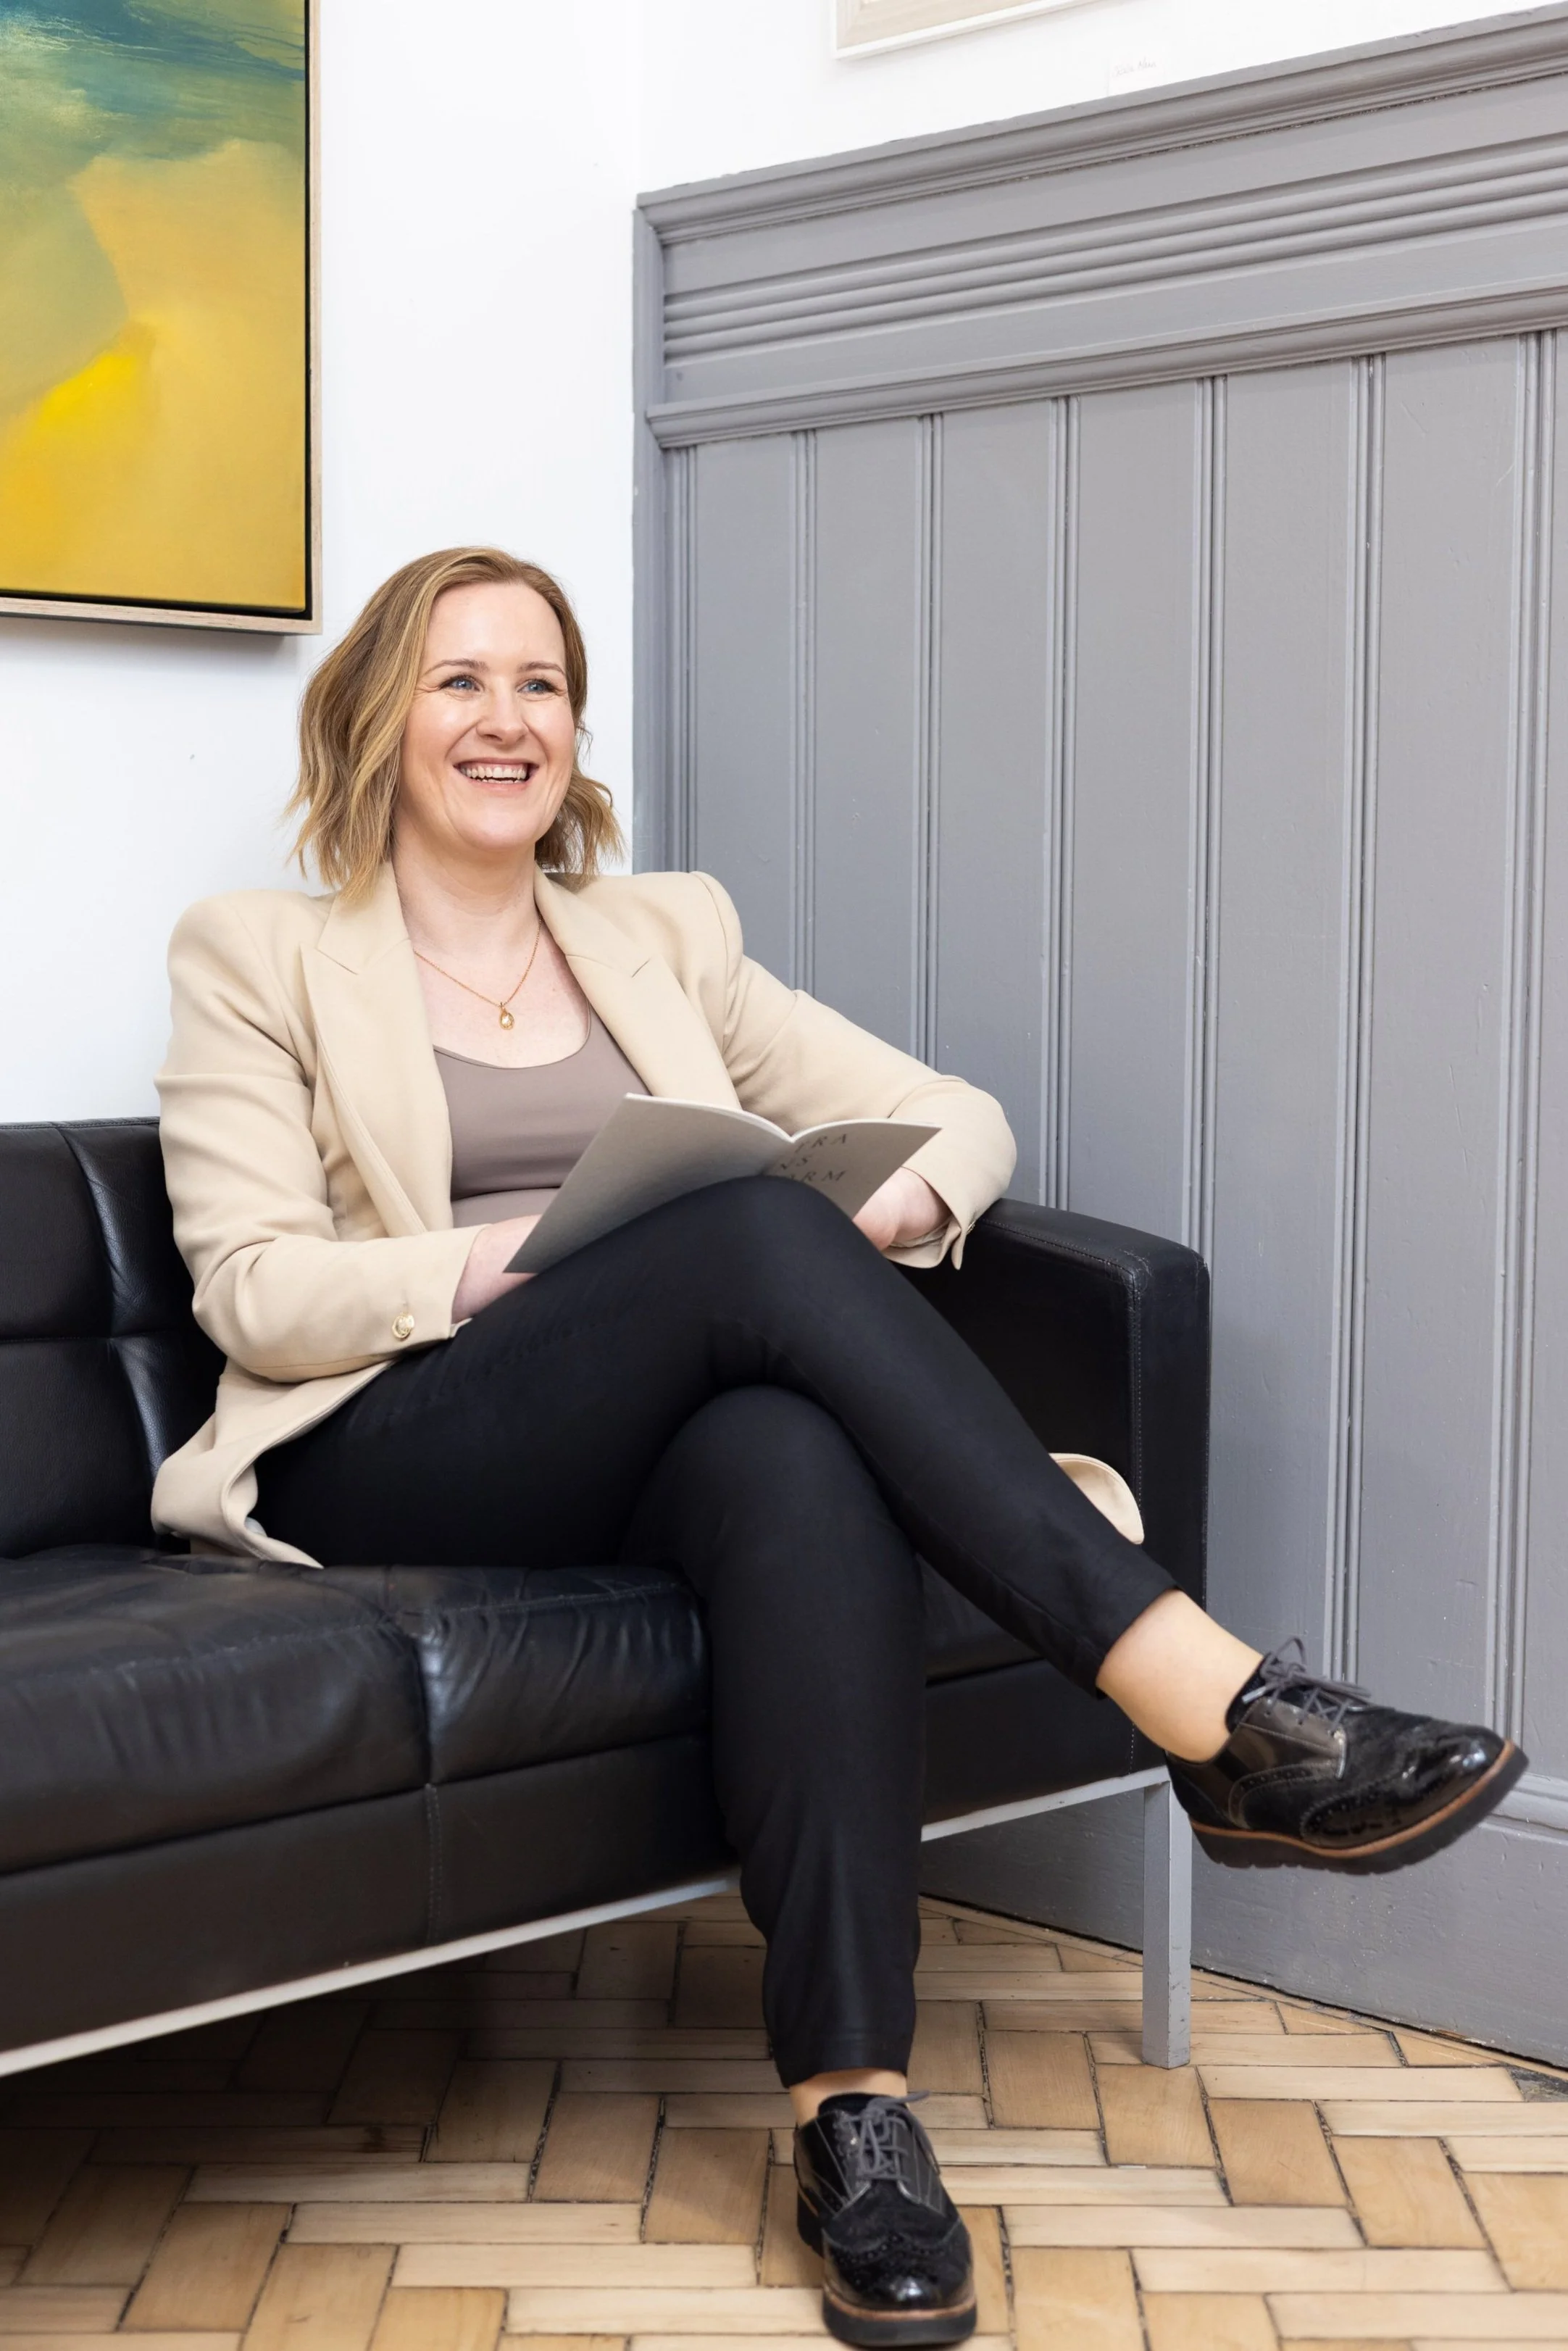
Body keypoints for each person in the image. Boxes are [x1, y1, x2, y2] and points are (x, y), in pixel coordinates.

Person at [155, 546, 1527, 2349]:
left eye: (542, 683)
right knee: (734, 1231)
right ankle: (1211, 1702)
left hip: (633, 1426)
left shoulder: (663, 934)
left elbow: (960, 1110)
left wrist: (886, 1205)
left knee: (792, 1456)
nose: (507, 720)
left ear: (576, 726)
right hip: (392, 1436)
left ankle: (851, 2115)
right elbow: (255, 1291)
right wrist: (526, 1259)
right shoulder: (258, 952)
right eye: (458, 680)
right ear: (377, 718)